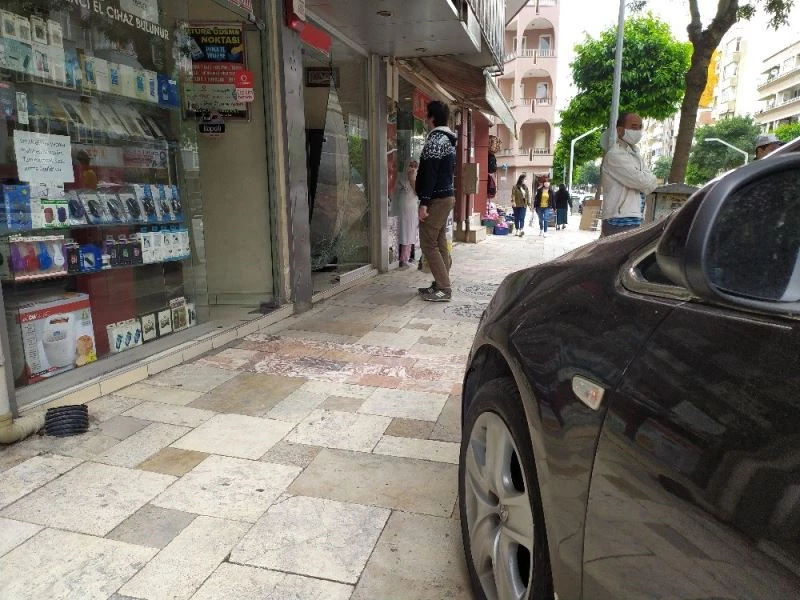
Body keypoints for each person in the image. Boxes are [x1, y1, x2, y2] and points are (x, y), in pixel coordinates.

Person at [416, 100, 457, 302]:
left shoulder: (435, 140)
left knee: (428, 243)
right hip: (445, 196)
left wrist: (424, 202)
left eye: (426, 115)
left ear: (431, 117)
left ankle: (444, 289)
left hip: (437, 199)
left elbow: (430, 174)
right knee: (439, 242)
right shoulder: (447, 140)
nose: (425, 119)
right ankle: (440, 284)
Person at [599, 112, 657, 237]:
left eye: (640, 127)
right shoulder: (615, 155)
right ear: (620, 130)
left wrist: (648, 180)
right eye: (633, 127)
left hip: (634, 217)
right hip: (619, 219)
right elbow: (642, 181)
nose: (638, 131)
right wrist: (648, 180)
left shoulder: (636, 155)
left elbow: (650, 184)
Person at [394, 160, 419, 268]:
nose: (412, 168)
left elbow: (418, 193)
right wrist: (412, 180)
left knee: (409, 232)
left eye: (415, 166)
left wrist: (413, 179)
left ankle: (407, 257)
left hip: (411, 208)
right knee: (405, 232)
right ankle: (403, 259)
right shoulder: (401, 178)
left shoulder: (416, 178)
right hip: (403, 208)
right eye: (410, 166)